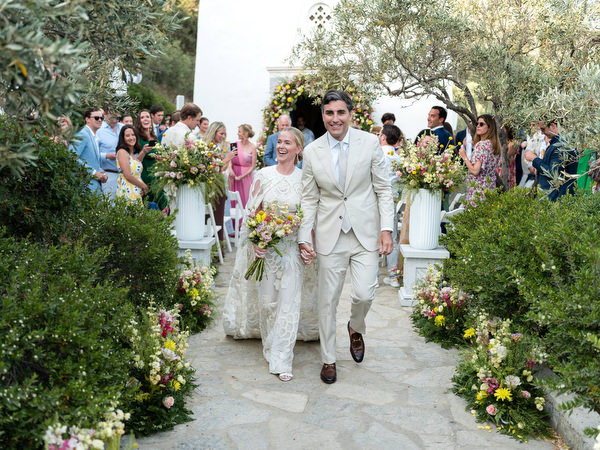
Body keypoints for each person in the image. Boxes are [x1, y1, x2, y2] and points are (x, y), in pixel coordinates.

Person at [298, 90, 394, 384]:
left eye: (340, 112)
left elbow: (383, 189)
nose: (335, 119)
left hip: (364, 233)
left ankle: (355, 326)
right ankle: (328, 359)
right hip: (329, 236)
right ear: (323, 116)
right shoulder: (312, 151)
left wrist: (386, 229)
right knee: (326, 301)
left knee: (364, 293)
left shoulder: (369, 143)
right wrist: (305, 235)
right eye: (329, 113)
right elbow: (308, 198)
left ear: (349, 114)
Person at [223, 127, 319, 381]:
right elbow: (252, 214)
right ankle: (270, 346)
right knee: (268, 305)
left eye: (288, 143)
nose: (281, 146)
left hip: (291, 251)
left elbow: (308, 216)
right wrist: (256, 241)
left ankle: (282, 358)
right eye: (279, 142)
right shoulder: (263, 175)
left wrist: (306, 243)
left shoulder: (305, 179)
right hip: (267, 251)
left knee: (289, 305)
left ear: (299, 149)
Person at [524, 120, 578, 201]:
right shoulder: (560, 142)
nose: (542, 133)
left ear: (553, 126)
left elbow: (553, 172)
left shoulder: (561, 145)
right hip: (557, 195)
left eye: (543, 129)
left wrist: (534, 159)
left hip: (558, 197)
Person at [203, 122, 237, 241]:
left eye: (225, 134)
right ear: (214, 132)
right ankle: (215, 246)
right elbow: (214, 169)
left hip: (219, 185)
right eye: (221, 133)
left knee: (219, 217)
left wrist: (227, 160)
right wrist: (228, 158)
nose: (223, 136)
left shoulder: (217, 147)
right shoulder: (208, 147)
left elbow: (222, 168)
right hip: (212, 188)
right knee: (214, 218)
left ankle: (219, 246)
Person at [458, 114, 501, 206]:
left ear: (489, 128)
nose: (477, 126)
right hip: (490, 189)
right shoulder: (493, 145)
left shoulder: (482, 145)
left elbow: (475, 171)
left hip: (477, 191)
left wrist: (464, 156)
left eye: (481, 124)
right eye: (477, 123)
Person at [69, 107, 108, 193]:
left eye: (102, 118)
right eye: (96, 118)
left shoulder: (93, 136)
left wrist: (101, 174)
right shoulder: (83, 134)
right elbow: (71, 157)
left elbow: (93, 161)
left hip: (93, 186)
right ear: (87, 119)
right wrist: (93, 173)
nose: (100, 120)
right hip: (85, 186)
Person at [135, 110, 168, 211]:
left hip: (157, 178)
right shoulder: (136, 138)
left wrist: (161, 158)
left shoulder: (154, 137)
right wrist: (144, 152)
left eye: (147, 117)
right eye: (142, 117)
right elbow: (134, 161)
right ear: (138, 121)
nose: (146, 119)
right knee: (149, 210)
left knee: (165, 208)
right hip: (145, 178)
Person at [115, 125, 149, 203]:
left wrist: (144, 151)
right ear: (123, 138)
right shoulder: (122, 152)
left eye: (133, 135)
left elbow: (136, 167)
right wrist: (143, 186)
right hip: (127, 192)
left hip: (135, 192)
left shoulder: (131, 154)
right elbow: (128, 175)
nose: (131, 138)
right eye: (127, 136)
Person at [229, 124, 257, 208]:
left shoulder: (252, 147)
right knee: (234, 201)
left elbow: (253, 166)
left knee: (245, 200)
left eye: (239, 131)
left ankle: (245, 220)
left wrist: (242, 176)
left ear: (245, 133)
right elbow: (230, 160)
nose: (238, 133)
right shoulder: (234, 145)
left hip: (246, 177)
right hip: (233, 175)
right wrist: (230, 169)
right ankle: (234, 221)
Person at [97, 108, 121, 198]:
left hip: (125, 175)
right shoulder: (99, 131)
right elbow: (93, 154)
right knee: (111, 205)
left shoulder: (122, 127)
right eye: (112, 117)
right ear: (105, 116)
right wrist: (107, 156)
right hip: (109, 174)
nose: (115, 120)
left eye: (117, 118)